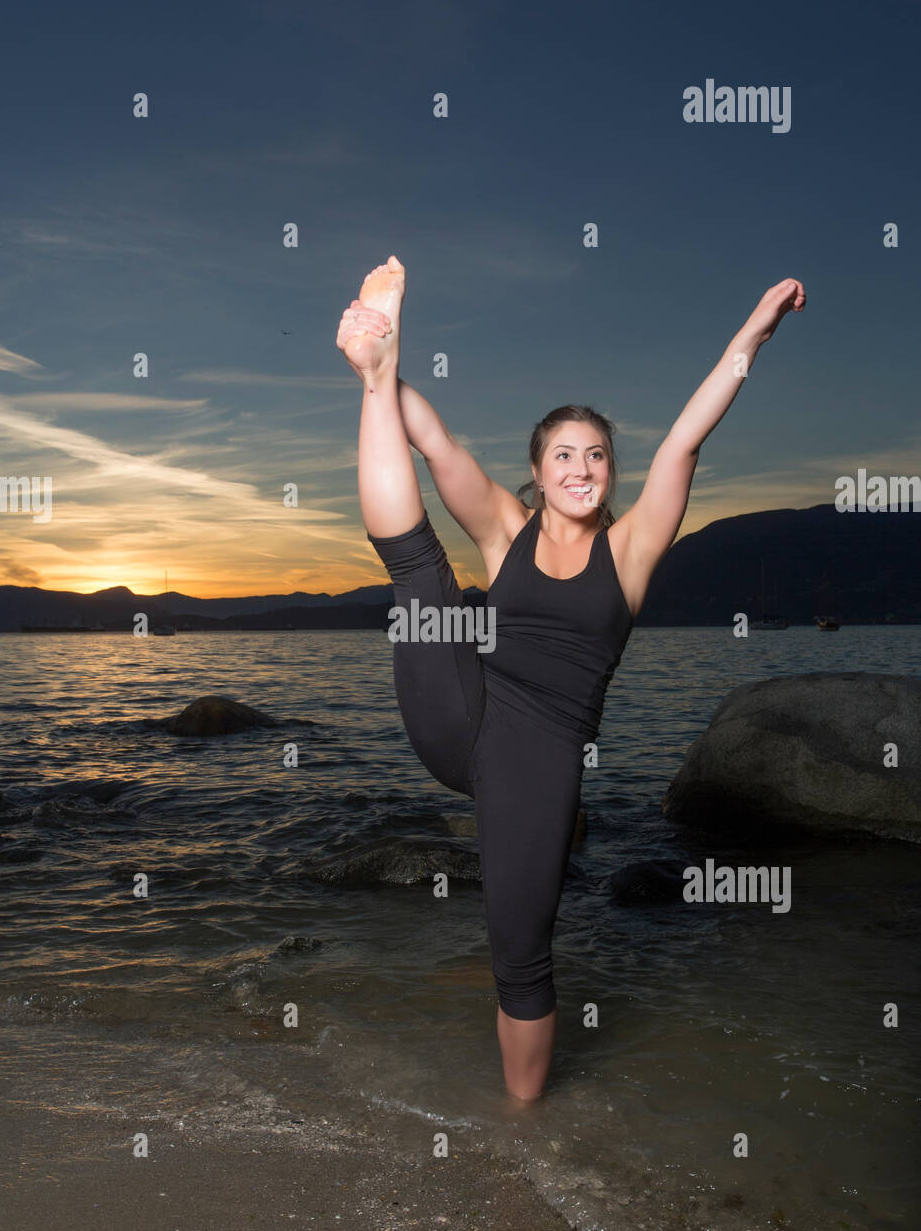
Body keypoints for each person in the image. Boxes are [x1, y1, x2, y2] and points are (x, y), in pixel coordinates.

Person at [337, 255, 805, 1101]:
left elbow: (686, 441)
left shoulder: (629, 554)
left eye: (594, 455)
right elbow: (435, 444)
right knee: (416, 571)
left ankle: (526, 1134)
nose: (580, 467)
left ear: (609, 473)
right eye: (562, 454)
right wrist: (386, 370)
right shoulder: (505, 529)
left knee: (518, 948)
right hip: (459, 709)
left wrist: (752, 337)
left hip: (539, 762)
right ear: (540, 468)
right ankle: (372, 370)